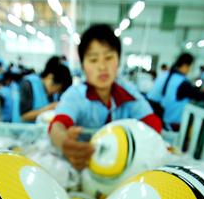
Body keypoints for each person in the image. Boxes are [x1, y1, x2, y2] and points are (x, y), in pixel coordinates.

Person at [49, 24, 162, 170]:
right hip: (83, 166)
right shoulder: (75, 95)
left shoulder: (128, 93)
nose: (102, 66)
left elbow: (153, 125)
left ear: (118, 60)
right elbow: (57, 126)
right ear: (83, 65)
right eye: (93, 60)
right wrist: (65, 143)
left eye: (108, 57)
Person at [147, 52, 204, 130]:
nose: (189, 70)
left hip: (159, 117)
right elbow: (199, 95)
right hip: (171, 122)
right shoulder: (181, 81)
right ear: (185, 66)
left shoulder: (167, 75)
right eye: (190, 67)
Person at [17, 57, 71, 122]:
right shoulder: (28, 84)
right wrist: (48, 108)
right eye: (57, 88)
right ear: (50, 77)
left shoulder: (51, 93)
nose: (56, 92)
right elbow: (24, 116)